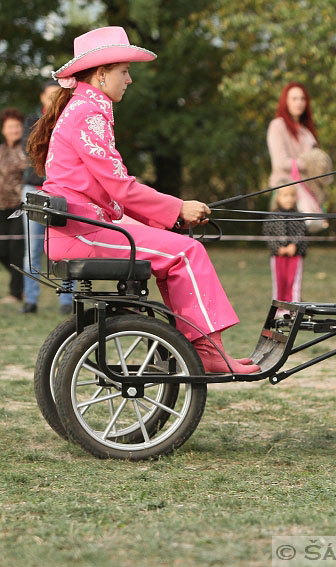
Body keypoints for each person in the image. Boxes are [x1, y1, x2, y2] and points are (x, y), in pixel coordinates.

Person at [26, 26, 259, 373]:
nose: (129, 79)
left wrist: (166, 217)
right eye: (124, 71)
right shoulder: (88, 114)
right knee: (187, 251)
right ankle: (206, 350)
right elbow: (121, 187)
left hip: (77, 229)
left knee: (176, 245)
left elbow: (110, 191)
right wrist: (178, 207)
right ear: (102, 74)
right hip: (82, 233)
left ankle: (198, 345)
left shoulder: (83, 109)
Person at [21, 80, 75, 315]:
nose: (55, 99)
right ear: (42, 97)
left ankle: (67, 299)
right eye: (51, 95)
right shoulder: (32, 122)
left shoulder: (71, 119)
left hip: (65, 191)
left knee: (68, 246)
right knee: (33, 248)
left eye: (58, 95)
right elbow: (35, 149)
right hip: (35, 189)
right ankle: (30, 299)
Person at [267, 82, 327, 232]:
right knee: (283, 238)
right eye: (294, 98)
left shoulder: (306, 131)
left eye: (302, 99)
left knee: (301, 241)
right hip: (285, 190)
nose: (299, 103)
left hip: (306, 189)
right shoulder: (277, 126)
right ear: (285, 101)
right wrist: (308, 164)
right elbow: (280, 163)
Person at [0, 107, 27, 305]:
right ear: (3, 129)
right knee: (2, 250)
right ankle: (23, 282)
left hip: (19, 206)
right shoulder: (1, 150)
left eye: (17, 126)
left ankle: (16, 293)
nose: (14, 130)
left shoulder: (26, 149)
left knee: (16, 248)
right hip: (1, 206)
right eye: (10, 127)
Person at [263, 185, 307, 304]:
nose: (289, 199)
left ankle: (294, 306)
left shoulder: (299, 216)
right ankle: (279, 308)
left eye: (292, 195)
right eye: (285, 195)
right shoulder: (272, 217)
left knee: (293, 282)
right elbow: (268, 235)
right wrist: (278, 248)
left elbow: (301, 232)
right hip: (278, 256)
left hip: (296, 255)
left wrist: (294, 245)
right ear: (277, 198)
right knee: (279, 282)